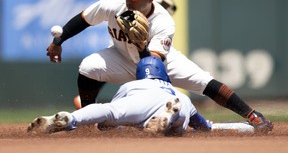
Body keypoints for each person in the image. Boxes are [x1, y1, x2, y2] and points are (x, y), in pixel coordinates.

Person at [46, 0, 273, 133]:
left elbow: (151, 64)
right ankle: (88, 118)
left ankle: (252, 114)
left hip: (160, 66)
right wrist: (59, 41)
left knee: (205, 82)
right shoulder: (114, 5)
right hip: (122, 58)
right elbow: (84, 19)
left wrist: (140, 43)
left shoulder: (163, 21)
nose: (129, 0)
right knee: (88, 67)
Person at [27, 56, 212, 134]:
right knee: (179, 126)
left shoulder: (133, 84)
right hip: (177, 102)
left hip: (140, 100)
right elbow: (205, 128)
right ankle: (169, 117)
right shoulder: (180, 95)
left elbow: (108, 122)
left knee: (108, 110)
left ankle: (71, 118)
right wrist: (242, 126)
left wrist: (108, 124)